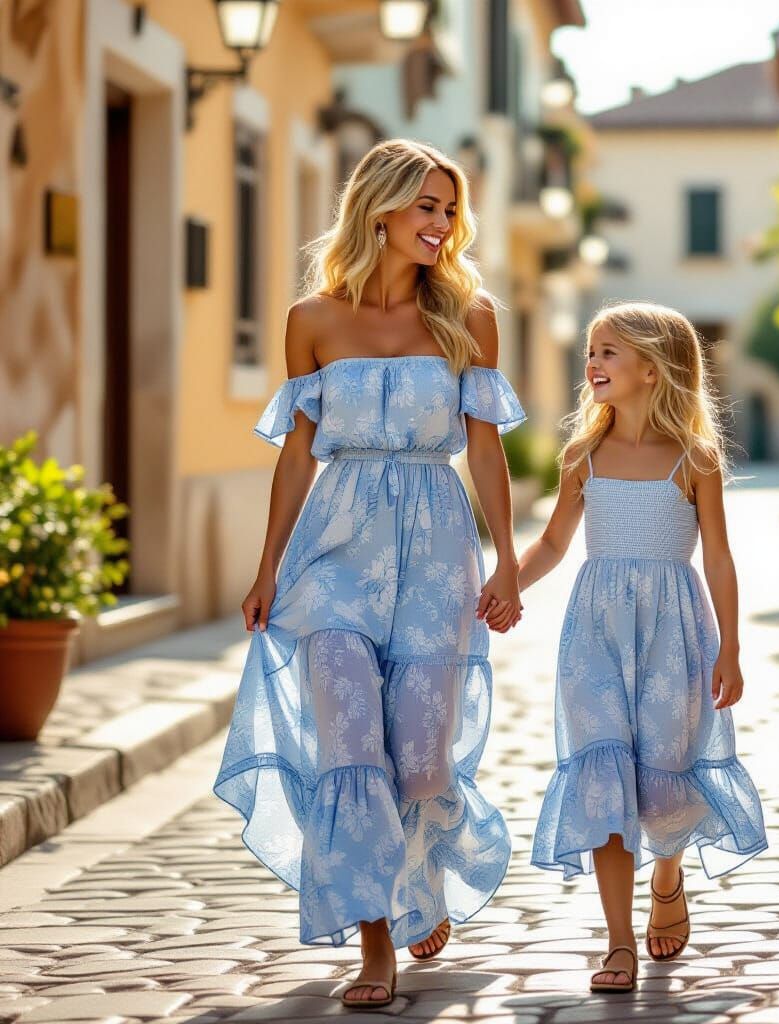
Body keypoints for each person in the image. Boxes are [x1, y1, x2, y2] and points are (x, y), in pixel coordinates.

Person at [213, 139, 525, 1010]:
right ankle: (375, 943)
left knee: (420, 763)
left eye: (449, 210)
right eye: (426, 206)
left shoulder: (470, 315)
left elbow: (487, 451)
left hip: (435, 551)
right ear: (379, 209)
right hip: (332, 557)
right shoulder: (311, 320)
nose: (440, 224)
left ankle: (429, 859)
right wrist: (268, 566)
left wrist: (506, 558)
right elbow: (297, 457)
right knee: (352, 750)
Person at [517, 301, 767, 993]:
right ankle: (617, 942)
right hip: (594, 634)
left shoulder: (695, 459)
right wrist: (503, 583)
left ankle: (668, 872)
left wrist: (732, 648)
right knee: (604, 777)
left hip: (674, 636)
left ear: (653, 371)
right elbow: (553, 544)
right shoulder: (582, 455)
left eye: (607, 353)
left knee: (664, 784)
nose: (591, 363)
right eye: (591, 351)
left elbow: (717, 555)